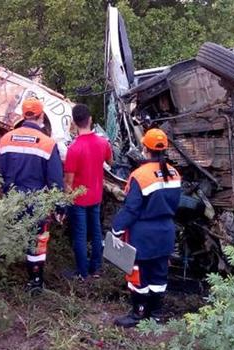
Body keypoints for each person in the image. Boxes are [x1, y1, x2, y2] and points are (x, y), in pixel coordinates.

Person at [110, 128, 182, 328]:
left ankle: (138, 314)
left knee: (138, 274)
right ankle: (156, 314)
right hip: (166, 231)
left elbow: (131, 209)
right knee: (159, 274)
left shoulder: (139, 175)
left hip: (143, 234)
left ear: (145, 148)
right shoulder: (174, 173)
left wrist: (116, 229)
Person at [0, 97, 64, 294]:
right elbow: (55, 180)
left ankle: (7, 275)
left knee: (13, 235)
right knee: (37, 241)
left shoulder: (5, 139)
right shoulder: (47, 143)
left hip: (12, 199)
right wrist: (60, 206)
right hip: (37, 201)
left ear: (23, 115)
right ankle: (35, 281)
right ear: (41, 115)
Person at [64, 104, 112, 280]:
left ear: (74, 123)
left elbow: (68, 181)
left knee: (80, 235)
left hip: (79, 198)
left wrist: (65, 200)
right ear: (90, 119)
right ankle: (96, 269)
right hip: (96, 195)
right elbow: (110, 161)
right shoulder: (102, 142)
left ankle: (82, 273)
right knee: (96, 231)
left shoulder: (74, 149)